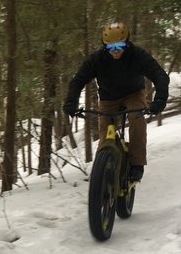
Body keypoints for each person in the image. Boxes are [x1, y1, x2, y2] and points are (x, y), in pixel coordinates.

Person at [63, 21, 169, 182]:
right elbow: (78, 80)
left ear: (126, 42)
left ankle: (137, 164)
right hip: (108, 98)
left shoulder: (138, 55)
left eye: (119, 45)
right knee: (105, 133)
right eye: (110, 47)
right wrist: (71, 102)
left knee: (136, 119)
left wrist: (160, 100)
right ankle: (101, 172)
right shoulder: (97, 59)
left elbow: (160, 76)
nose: (115, 51)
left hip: (134, 93)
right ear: (104, 46)